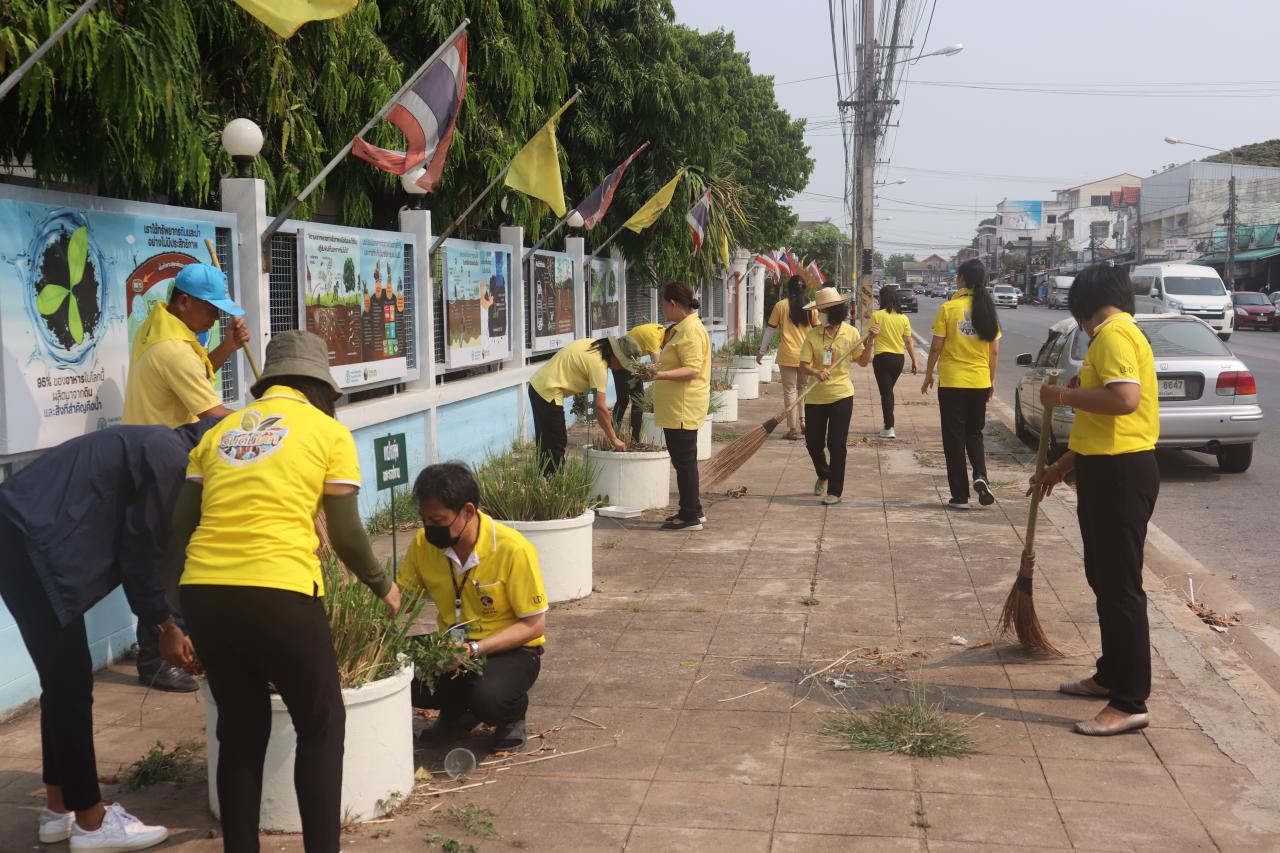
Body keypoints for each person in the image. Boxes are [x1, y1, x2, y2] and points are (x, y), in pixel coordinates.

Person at [167, 331, 399, 853]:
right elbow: (343, 533)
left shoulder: (218, 433)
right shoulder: (326, 433)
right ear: (320, 388)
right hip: (280, 593)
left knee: (241, 730)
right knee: (321, 722)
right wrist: (383, 585)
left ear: (269, 383)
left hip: (204, 591)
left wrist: (176, 613)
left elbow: (179, 530)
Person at [0, 420, 218, 851]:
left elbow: (152, 552)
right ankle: (92, 822)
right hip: (32, 546)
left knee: (63, 685)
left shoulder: (159, 444)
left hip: (22, 538)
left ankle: (58, 809)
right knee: (70, 687)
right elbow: (140, 558)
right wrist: (167, 628)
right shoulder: (169, 459)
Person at [1027, 264, 1160, 736]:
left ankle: (1130, 701)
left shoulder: (1114, 335)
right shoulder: (1114, 335)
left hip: (1123, 474)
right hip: (1104, 467)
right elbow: (1099, 426)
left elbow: (1125, 401)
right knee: (1103, 577)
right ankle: (1110, 675)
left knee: (1121, 586)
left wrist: (1061, 395)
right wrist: (1061, 468)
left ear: (1084, 305)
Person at [122, 262, 249, 691]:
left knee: (172, 559)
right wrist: (271, 422)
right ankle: (156, 660)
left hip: (157, 461)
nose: (216, 318)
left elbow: (196, 378)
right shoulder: (174, 351)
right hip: (161, 468)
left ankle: (180, 647)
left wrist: (227, 348)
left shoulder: (160, 332)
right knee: (168, 564)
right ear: (184, 302)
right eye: (211, 309)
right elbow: (213, 415)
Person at [398, 462, 547, 752]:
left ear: (468, 511)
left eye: (438, 520)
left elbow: (534, 626)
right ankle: (457, 713)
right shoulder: (423, 544)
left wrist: (473, 650)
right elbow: (403, 597)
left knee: (490, 698)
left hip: (510, 650)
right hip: (452, 644)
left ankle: (510, 713)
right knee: (394, 671)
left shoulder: (511, 548)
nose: (430, 528)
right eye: (425, 519)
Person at [921, 258, 1001, 509]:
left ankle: (960, 495)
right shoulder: (988, 309)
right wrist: (991, 381)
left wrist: (928, 375)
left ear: (963, 279)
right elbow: (994, 353)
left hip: (953, 382)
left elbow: (935, 347)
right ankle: (980, 475)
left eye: (958, 276)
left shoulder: (949, 308)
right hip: (979, 382)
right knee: (974, 433)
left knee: (954, 438)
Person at [797, 287, 876, 505]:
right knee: (813, 443)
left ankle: (835, 491)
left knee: (836, 443)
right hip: (815, 397)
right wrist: (816, 372)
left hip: (842, 394)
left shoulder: (851, 333)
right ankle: (824, 474)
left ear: (834, 311)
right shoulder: (813, 334)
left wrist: (869, 342)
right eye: (818, 310)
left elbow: (862, 361)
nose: (819, 314)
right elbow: (803, 365)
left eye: (822, 310)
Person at [528, 336, 645, 471]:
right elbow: (600, 407)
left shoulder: (592, 345)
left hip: (539, 387)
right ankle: (553, 482)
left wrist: (590, 415)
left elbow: (591, 394)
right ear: (617, 356)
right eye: (624, 365)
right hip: (547, 393)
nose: (621, 369)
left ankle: (546, 481)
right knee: (556, 442)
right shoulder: (599, 366)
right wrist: (614, 438)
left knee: (547, 442)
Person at [651, 282, 711, 531]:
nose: (663, 309)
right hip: (676, 406)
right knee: (683, 460)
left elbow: (692, 369)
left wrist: (658, 375)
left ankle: (689, 516)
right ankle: (692, 508)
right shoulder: (681, 328)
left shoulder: (691, 331)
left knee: (684, 461)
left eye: (664, 304)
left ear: (673, 304)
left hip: (683, 406)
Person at [759, 275, 817, 440]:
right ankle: (803, 421)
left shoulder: (780, 306)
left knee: (789, 391)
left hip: (787, 354)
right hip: (807, 355)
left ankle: (792, 429)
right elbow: (819, 332)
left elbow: (770, 330)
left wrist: (762, 351)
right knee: (803, 389)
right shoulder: (812, 307)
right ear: (804, 288)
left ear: (789, 288)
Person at [871, 285, 919, 439]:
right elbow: (908, 342)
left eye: (879, 296)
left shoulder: (877, 316)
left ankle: (889, 426)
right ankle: (888, 424)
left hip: (882, 358)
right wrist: (914, 361)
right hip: (899, 359)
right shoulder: (903, 318)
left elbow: (869, 338)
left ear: (883, 298)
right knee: (888, 392)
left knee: (886, 393)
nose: (878, 299)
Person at [611, 322, 664, 443]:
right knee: (623, 400)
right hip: (619, 362)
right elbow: (657, 365)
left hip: (633, 363)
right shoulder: (654, 337)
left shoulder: (658, 330)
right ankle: (613, 434)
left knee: (639, 400)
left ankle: (635, 438)